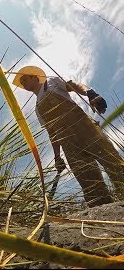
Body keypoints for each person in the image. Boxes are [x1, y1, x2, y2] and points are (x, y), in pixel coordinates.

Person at [13, 65, 124, 207]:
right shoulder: (37, 108)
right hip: (68, 144)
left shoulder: (51, 82)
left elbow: (74, 86)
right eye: (22, 83)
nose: (23, 83)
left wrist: (90, 93)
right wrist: (57, 156)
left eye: (24, 79)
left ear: (34, 77)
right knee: (88, 181)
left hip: (85, 128)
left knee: (112, 162)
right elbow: (51, 132)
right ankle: (103, 215)